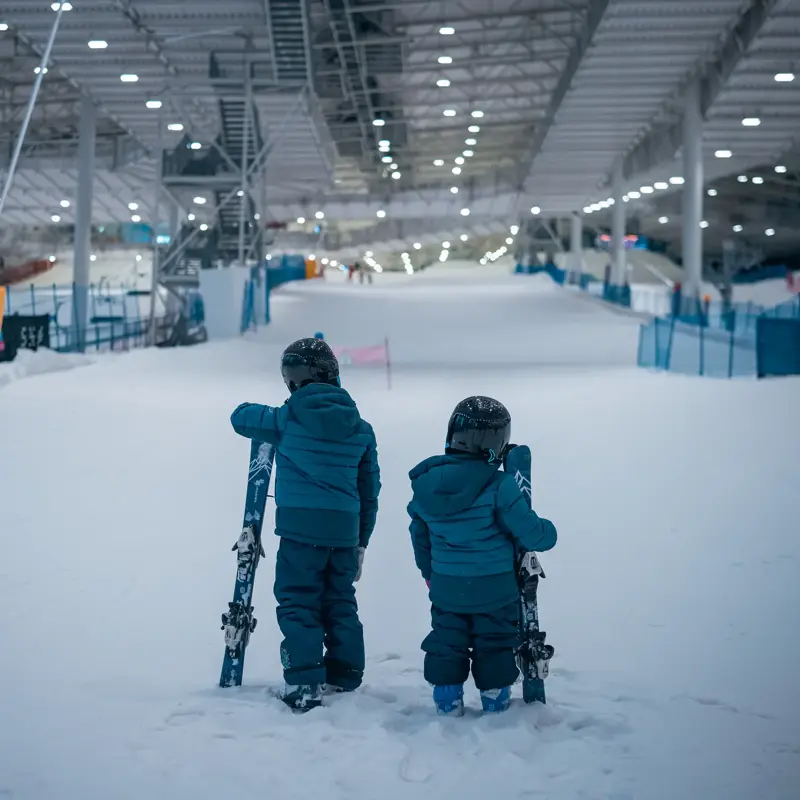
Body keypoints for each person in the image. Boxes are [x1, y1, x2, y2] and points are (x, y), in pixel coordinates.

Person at [230, 338, 381, 711]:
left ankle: (305, 682)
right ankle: (344, 674)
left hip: (300, 534)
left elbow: (240, 416)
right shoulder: (361, 428)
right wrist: (361, 541)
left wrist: (280, 409)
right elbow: (370, 491)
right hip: (344, 534)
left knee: (298, 604)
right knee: (340, 602)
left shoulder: (287, 419)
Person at [407, 396, 557, 716]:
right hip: (495, 588)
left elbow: (420, 538)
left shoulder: (426, 487)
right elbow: (529, 532)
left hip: (446, 586)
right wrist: (549, 532)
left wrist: (429, 574)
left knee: (447, 642)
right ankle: (494, 701)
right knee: (495, 642)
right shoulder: (500, 485)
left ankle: (447, 702)